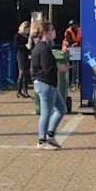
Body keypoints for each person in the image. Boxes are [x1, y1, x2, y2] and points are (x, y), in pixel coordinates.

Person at [30, 19, 65, 148]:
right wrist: (58, 68)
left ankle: (50, 134)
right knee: (46, 113)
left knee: (62, 109)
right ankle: (42, 141)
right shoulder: (43, 48)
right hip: (45, 84)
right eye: (52, 30)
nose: (54, 32)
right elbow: (47, 68)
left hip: (47, 84)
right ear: (46, 32)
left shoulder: (42, 46)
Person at [13, 20, 33, 99]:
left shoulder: (27, 36)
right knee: (21, 72)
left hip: (27, 55)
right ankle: (19, 92)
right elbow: (15, 46)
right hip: (21, 55)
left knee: (26, 73)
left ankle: (25, 91)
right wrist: (25, 46)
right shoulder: (17, 35)